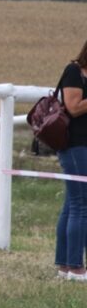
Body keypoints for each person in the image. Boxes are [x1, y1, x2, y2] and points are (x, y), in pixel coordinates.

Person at [56, 44, 87, 282]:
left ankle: (65, 265)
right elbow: (73, 107)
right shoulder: (74, 72)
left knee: (71, 205)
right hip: (75, 146)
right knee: (81, 205)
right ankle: (76, 267)